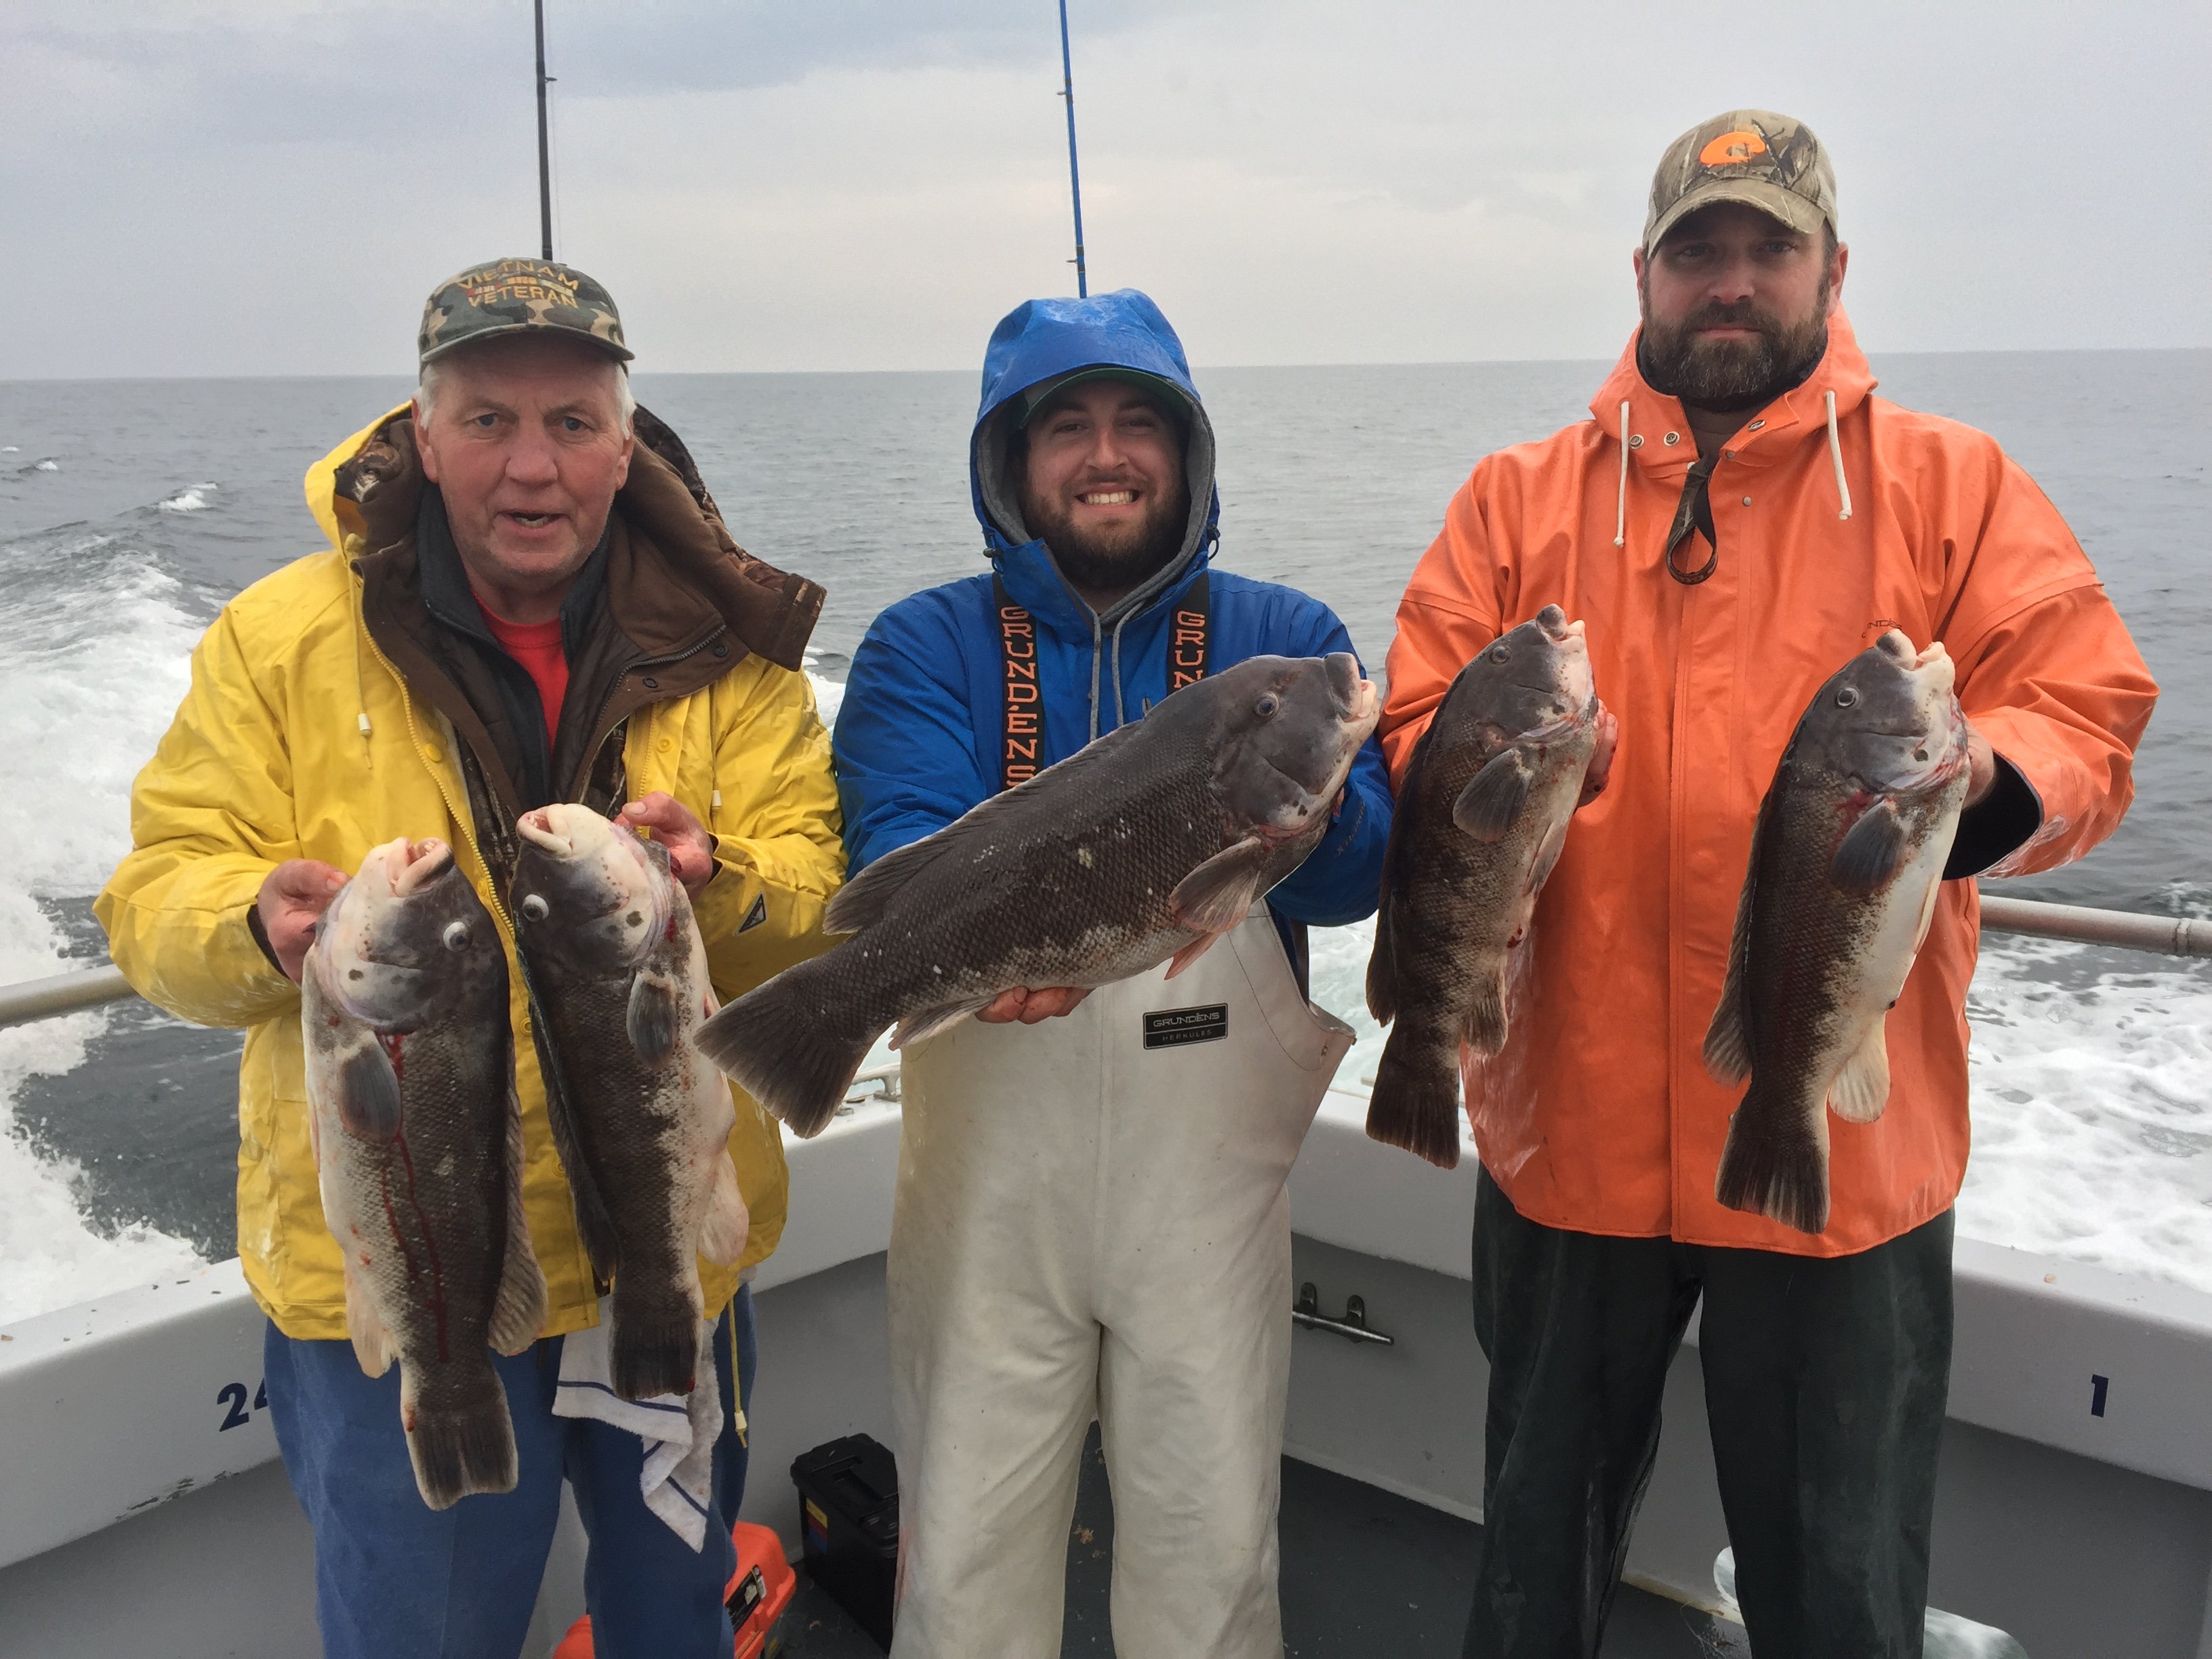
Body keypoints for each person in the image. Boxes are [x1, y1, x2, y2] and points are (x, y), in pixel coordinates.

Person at [1378, 112, 2158, 1658]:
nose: (1730, 282)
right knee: (1531, 1564)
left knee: (1840, 1591)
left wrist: (1983, 790)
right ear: (1643, 275)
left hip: (1843, 1147)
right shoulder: (1514, 499)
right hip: (1571, 1133)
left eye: (1766, 249)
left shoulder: (1953, 483)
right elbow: (1417, 720)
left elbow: (2087, 708)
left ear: (1832, 270)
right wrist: (1528, 775)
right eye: (1699, 251)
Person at [96, 258, 844, 1659]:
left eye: (571, 423)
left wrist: (722, 884)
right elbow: (152, 898)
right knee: (422, 1635)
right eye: (488, 419)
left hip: (664, 1249)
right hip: (398, 1262)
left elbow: (818, 901)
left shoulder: (738, 655)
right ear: (423, 437)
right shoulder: (278, 642)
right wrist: (251, 924)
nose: (531, 464)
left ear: (625, 446)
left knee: (676, 1624)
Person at [833, 288, 1393, 1657]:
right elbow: (900, 831)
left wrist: (1305, 811)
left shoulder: (1285, 637)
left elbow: (1359, 875)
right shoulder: (923, 642)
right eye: (1066, 426)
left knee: (1213, 1553)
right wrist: (975, 946)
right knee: (962, 1562)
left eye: (1140, 422)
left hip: (1208, 1191)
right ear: (1010, 462)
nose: (1105, 455)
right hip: (989, 1184)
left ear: (1187, 454)